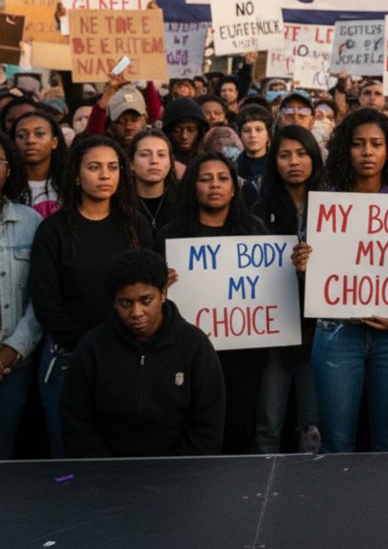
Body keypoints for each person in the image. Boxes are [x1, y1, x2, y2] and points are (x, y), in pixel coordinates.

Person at [295, 108, 388, 453]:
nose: (367, 152)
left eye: (376, 144)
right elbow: (317, 270)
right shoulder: (323, 204)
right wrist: (304, 266)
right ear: (345, 150)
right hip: (337, 333)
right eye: (359, 144)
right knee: (337, 442)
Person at [29, 135, 151, 456]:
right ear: (75, 174)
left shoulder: (135, 226)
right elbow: (46, 303)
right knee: (69, 463)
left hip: (130, 358)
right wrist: (93, 346)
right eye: (94, 167)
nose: (105, 175)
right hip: (68, 361)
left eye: (113, 167)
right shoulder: (52, 231)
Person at [59, 249, 225, 457]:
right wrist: (106, 472)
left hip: (181, 476)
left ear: (163, 293)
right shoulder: (92, 348)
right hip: (107, 477)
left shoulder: (195, 345)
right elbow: (77, 422)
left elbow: (208, 426)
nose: (136, 313)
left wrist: (178, 472)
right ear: (114, 302)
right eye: (125, 304)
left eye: (146, 301)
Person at [156, 152, 268, 454]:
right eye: (205, 179)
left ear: (234, 187)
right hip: (189, 353)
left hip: (244, 355)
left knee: (239, 424)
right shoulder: (171, 235)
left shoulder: (254, 230)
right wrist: (161, 284)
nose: (214, 185)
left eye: (222, 179)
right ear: (193, 186)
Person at [250, 125, 323, 454]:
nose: (294, 162)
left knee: (313, 425)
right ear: (273, 162)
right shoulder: (258, 212)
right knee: (268, 423)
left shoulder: (334, 205)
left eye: (302, 153)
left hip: (318, 333)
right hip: (275, 335)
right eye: (284, 155)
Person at [0, 132, 43, 458]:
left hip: (16, 363)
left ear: (8, 169)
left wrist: (12, 350)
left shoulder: (31, 222)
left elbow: (41, 295)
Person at [13, 109, 67, 219]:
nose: (30, 140)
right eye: (21, 136)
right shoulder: (7, 187)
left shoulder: (69, 185)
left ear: (54, 142)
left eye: (40, 134)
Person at [128, 128, 180, 236]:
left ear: (170, 162)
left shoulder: (183, 201)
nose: (154, 161)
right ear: (131, 163)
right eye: (145, 154)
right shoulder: (119, 202)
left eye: (161, 155)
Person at [235, 103, 273, 206]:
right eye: (247, 130)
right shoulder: (233, 167)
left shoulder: (278, 165)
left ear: (268, 134)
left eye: (259, 130)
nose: (253, 135)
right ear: (240, 134)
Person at [160, 97, 209, 170]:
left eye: (191, 130)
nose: (184, 136)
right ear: (168, 132)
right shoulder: (159, 161)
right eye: (178, 130)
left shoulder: (208, 161)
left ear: (200, 132)